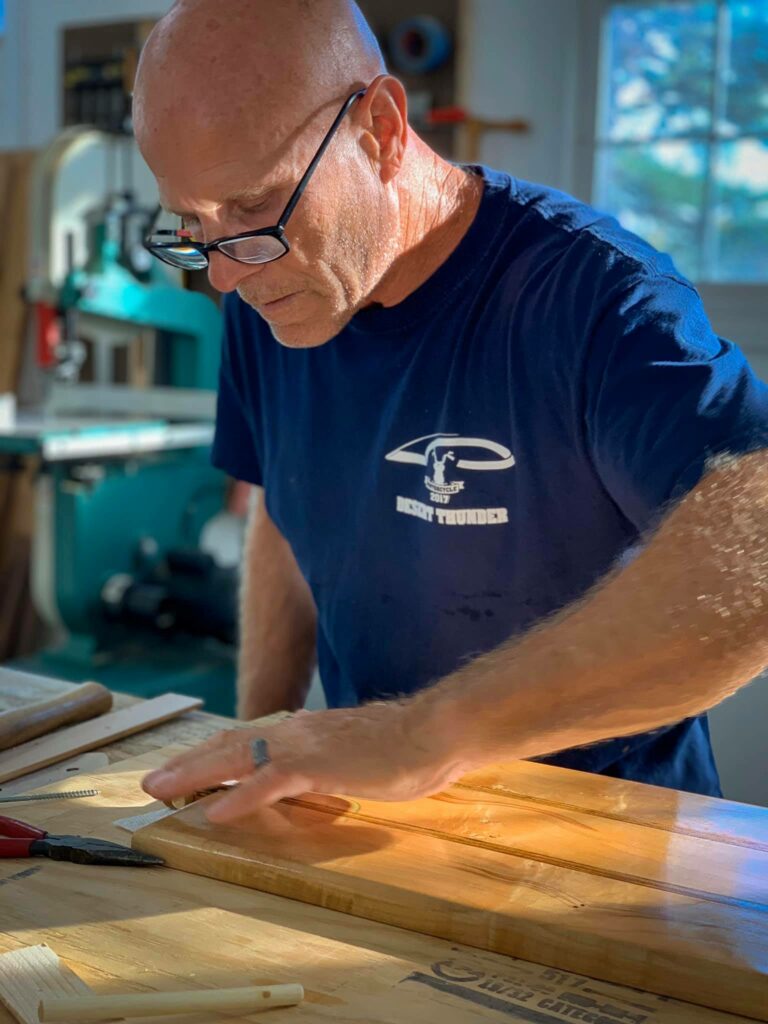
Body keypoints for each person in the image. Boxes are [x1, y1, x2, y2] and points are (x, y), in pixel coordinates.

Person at [134, 0, 768, 823]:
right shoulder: (265, 290)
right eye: (192, 222)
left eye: (255, 206)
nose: (224, 272)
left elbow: (754, 542)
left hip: (609, 845)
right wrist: (256, 739)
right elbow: (287, 520)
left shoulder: (593, 300)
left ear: (382, 129)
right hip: (381, 830)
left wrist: (421, 735)